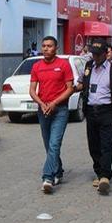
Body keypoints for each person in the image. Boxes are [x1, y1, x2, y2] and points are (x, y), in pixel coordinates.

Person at [76, 39, 112, 195]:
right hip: (91, 112)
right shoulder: (88, 67)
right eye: (93, 54)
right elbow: (81, 84)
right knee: (94, 146)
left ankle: (105, 176)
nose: (96, 57)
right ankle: (99, 172)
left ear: (106, 54)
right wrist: (67, 90)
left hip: (107, 112)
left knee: (106, 145)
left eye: (99, 55)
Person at [29, 36, 74, 194]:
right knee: (48, 145)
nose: (46, 48)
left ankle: (47, 178)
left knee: (54, 144)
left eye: (49, 46)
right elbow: (32, 90)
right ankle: (58, 171)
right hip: (43, 110)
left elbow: (70, 88)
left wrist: (54, 103)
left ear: (56, 48)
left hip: (59, 110)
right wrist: (42, 104)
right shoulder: (36, 66)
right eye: (44, 46)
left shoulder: (64, 65)